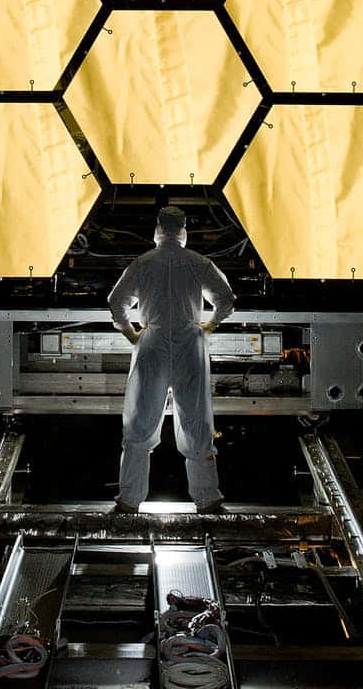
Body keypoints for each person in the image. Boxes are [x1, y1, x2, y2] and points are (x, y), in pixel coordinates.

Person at [108, 205, 235, 513]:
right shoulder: (198, 262)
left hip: (151, 341)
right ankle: (208, 499)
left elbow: (116, 302)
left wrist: (131, 332)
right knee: (196, 422)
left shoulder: (142, 263)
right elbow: (226, 299)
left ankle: (129, 501)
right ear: (183, 231)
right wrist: (209, 326)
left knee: (140, 423)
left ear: (157, 230)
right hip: (189, 343)